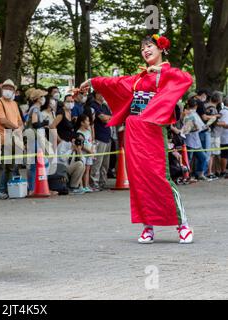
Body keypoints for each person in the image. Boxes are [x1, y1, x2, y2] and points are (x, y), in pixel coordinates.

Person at [78, 34, 194, 244]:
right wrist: (92, 81)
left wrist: (162, 70)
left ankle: (182, 224)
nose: (145, 51)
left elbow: (186, 79)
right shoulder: (139, 78)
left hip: (153, 129)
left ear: (161, 49)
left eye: (149, 46)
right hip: (133, 129)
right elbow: (115, 82)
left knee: (159, 176)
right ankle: (147, 226)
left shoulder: (166, 73)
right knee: (138, 178)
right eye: (143, 49)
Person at [0, 79, 24, 200]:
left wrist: (20, 128)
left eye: (10, 89)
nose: (8, 90)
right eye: (6, 88)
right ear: (1, 89)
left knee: (11, 166)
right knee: (2, 166)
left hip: (14, 138)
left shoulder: (14, 104)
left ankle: (8, 188)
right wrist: (17, 127)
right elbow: (2, 120)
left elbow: (20, 120)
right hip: (2, 138)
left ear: (14, 91)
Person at [25, 89, 49, 192]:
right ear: (37, 99)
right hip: (33, 138)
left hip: (36, 138)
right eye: (42, 96)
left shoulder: (36, 109)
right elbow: (35, 123)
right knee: (35, 164)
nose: (44, 98)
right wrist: (44, 123)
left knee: (36, 163)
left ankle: (33, 188)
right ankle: (32, 188)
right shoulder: (35, 109)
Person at [89, 90, 112, 191]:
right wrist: (109, 118)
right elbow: (103, 118)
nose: (103, 95)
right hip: (99, 137)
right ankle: (94, 183)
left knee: (105, 164)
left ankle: (103, 182)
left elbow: (111, 117)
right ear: (96, 95)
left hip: (107, 137)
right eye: (100, 93)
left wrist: (109, 118)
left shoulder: (105, 106)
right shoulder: (94, 105)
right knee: (97, 162)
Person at [76, 114, 94, 193]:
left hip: (89, 153)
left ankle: (86, 186)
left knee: (87, 170)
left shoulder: (88, 131)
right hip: (83, 153)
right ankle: (81, 186)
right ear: (82, 123)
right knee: (82, 170)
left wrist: (92, 150)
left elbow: (91, 141)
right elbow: (81, 145)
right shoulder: (78, 132)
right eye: (87, 121)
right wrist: (89, 150)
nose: (89, 122)